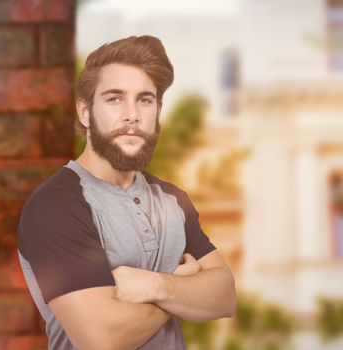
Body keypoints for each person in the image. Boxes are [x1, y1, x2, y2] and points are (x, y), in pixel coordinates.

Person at [17, 35, 237, 350]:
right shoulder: (55, 205)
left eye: (144, 99)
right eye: (115, 99)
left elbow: (225, 295)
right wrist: (182, 288)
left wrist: (155, 285)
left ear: (158, 110)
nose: (131, 114)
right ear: (84, 112)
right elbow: (102, 339)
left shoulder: (172, 199)